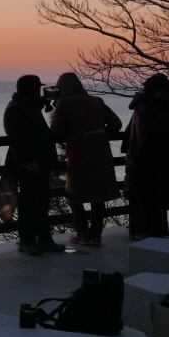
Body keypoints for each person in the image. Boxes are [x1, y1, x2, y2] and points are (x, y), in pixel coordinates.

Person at [48, 73, 122, 247]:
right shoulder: (96, 101)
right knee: (98, 195)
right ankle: (96, 236)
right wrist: (99, 135)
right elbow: (117, 124)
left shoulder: (63, 103)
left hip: (79, 152)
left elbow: (55, 133)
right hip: (101, 152)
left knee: (74, 194)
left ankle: (82, 234)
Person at [4, 75, 64, 256]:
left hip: (41, 162)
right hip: (30, 165)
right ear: (30, 90)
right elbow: (18, 139)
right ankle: (27, 240)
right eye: (37, 88)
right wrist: (29, 162)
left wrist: (44, 101)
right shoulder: (17, 108)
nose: (39, 91)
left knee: (41, 203)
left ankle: (44, 239)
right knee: (29, 204)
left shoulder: (27, 105)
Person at [124, 73, 169, 240]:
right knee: (147, 195)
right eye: (164, 91)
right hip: (146, 159)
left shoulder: (158, 106)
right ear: (155, 91)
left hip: (155, 158)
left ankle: (150, 230)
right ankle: (145, 230)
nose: (167, 94)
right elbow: (149, 131)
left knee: (154, 195)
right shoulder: (146, 107)